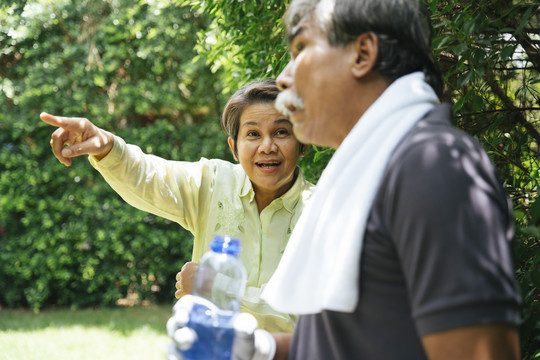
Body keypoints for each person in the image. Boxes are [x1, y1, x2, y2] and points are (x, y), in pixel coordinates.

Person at [257, 0, 522, 359]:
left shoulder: (433, 165)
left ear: (362, 54)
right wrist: (252, 348)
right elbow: (346, 342)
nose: (284, 78)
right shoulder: (364, 173)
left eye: (301, 48)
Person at [40, 79, 314, 335]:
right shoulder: (213, 182)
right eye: (253, 134)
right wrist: (106, 147)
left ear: (302, 142)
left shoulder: (320, 211)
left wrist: (213, 285)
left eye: (281, 132)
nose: (267, 146)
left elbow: (304, 313)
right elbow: (151, 177)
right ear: (234, 147)